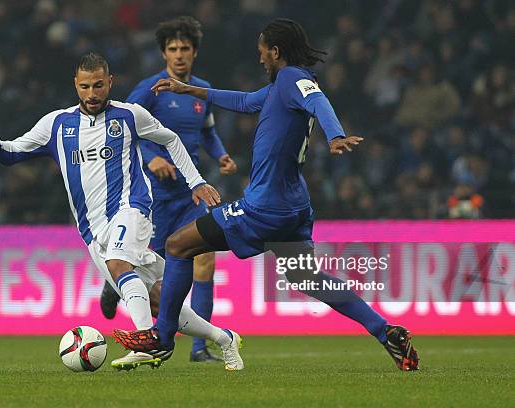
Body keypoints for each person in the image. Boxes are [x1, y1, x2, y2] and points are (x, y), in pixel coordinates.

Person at [113, 19, 419, 371]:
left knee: (179, 245)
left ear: (275, 52)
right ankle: (385, 331)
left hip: (264, 206)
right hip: (293, 207)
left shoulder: (292, 78)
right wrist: (191, 91)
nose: (260, 60)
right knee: (308, 277)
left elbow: (318, 100)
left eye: (262, 53)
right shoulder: (279, 87)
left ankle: (162, 338)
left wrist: (335, 134)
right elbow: (245, 101)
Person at [0, 52, 243, 371]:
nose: (92, 93)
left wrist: (195, 181)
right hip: (92, 230)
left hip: (132, 208)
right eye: (85, 86)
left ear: (110, 82)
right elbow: (12, 153)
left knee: (119, 262)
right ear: (76, 85)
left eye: (99, 85)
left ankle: (145, 342)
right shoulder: (57, 124)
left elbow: (170, 139)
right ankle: (225, 339)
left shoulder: (130, 115)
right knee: (158, 301)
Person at [99, 16, 237, 363]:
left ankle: (198, 348)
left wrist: (220, 155)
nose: (179, 55)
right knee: (145, 270)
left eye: (185, 49)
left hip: (189, 193)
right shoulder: (150, 88)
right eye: (172, 49)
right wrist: (151, 159)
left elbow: (206, 131)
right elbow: (122, 127)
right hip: (153, 195)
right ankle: (116, 283)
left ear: (194, 52)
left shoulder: (200, 90)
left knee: (204, 259)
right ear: (163, 53)